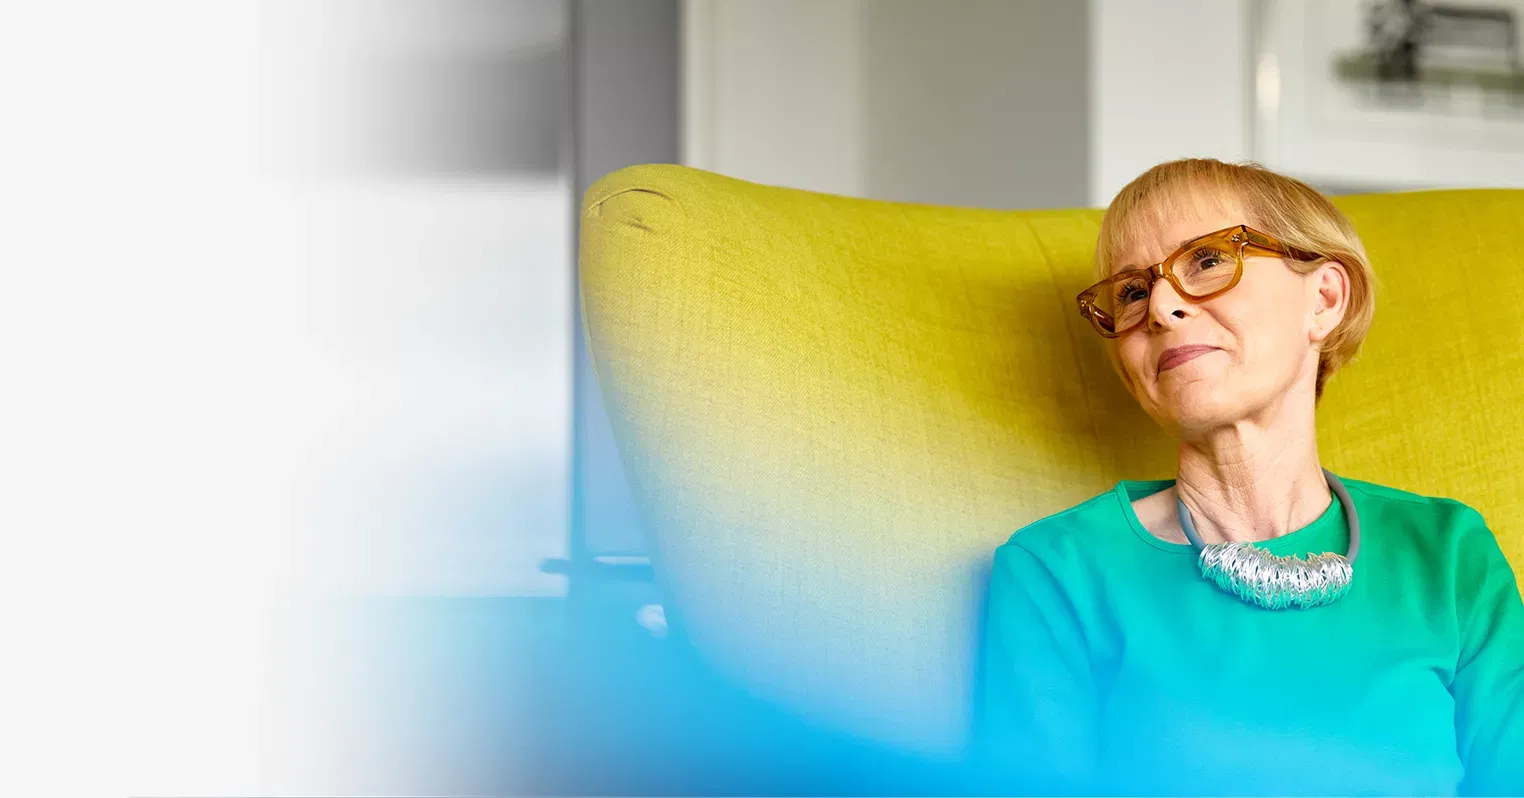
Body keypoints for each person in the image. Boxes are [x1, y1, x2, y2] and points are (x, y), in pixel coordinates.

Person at [976, 158, 1524, 796]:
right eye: (1130, 291)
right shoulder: (1055, 571)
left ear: (1323, 299)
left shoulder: (1449, 554)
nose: (1160, 306)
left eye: (1208, 261)